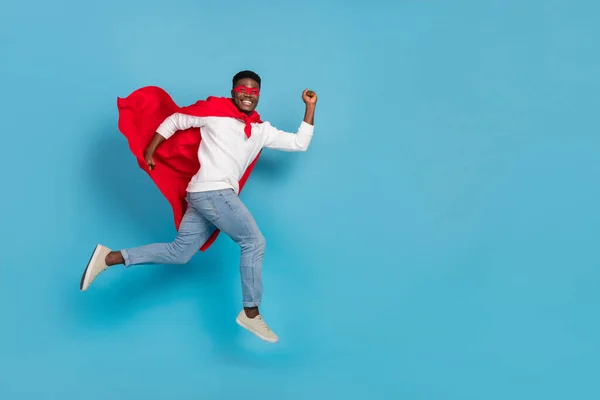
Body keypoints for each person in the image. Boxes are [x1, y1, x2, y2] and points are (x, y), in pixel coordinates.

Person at [80, 70, 317, 343]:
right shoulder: (214, 113)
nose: (247, 95)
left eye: (253, 92)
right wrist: (151, 149)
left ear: (259, 96)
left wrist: (310, 108)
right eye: (242, 90)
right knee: (254, 242)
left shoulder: (261, 131)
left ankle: (110, 257)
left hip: (203, 195)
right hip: (212, 192)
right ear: (233, 92)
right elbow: (177, 120)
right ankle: (251, 313)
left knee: (180, 252)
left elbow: (299, 143)